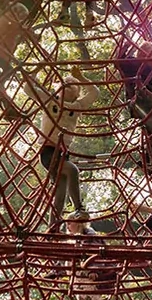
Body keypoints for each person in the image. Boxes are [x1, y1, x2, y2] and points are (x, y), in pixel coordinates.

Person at [37, 72, 104, 229]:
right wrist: (35, 75)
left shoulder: (78, 106)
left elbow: (95, 93)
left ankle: (53, 227)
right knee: (73, 170)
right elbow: (28, 89)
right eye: (65, 85)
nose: (68, 88)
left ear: (76, 93)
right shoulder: (50, 100)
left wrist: (81, 78)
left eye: (72, 86)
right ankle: (79, 208)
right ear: (59, 89)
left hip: (61, 153)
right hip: (48, 151)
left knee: (60, 193)